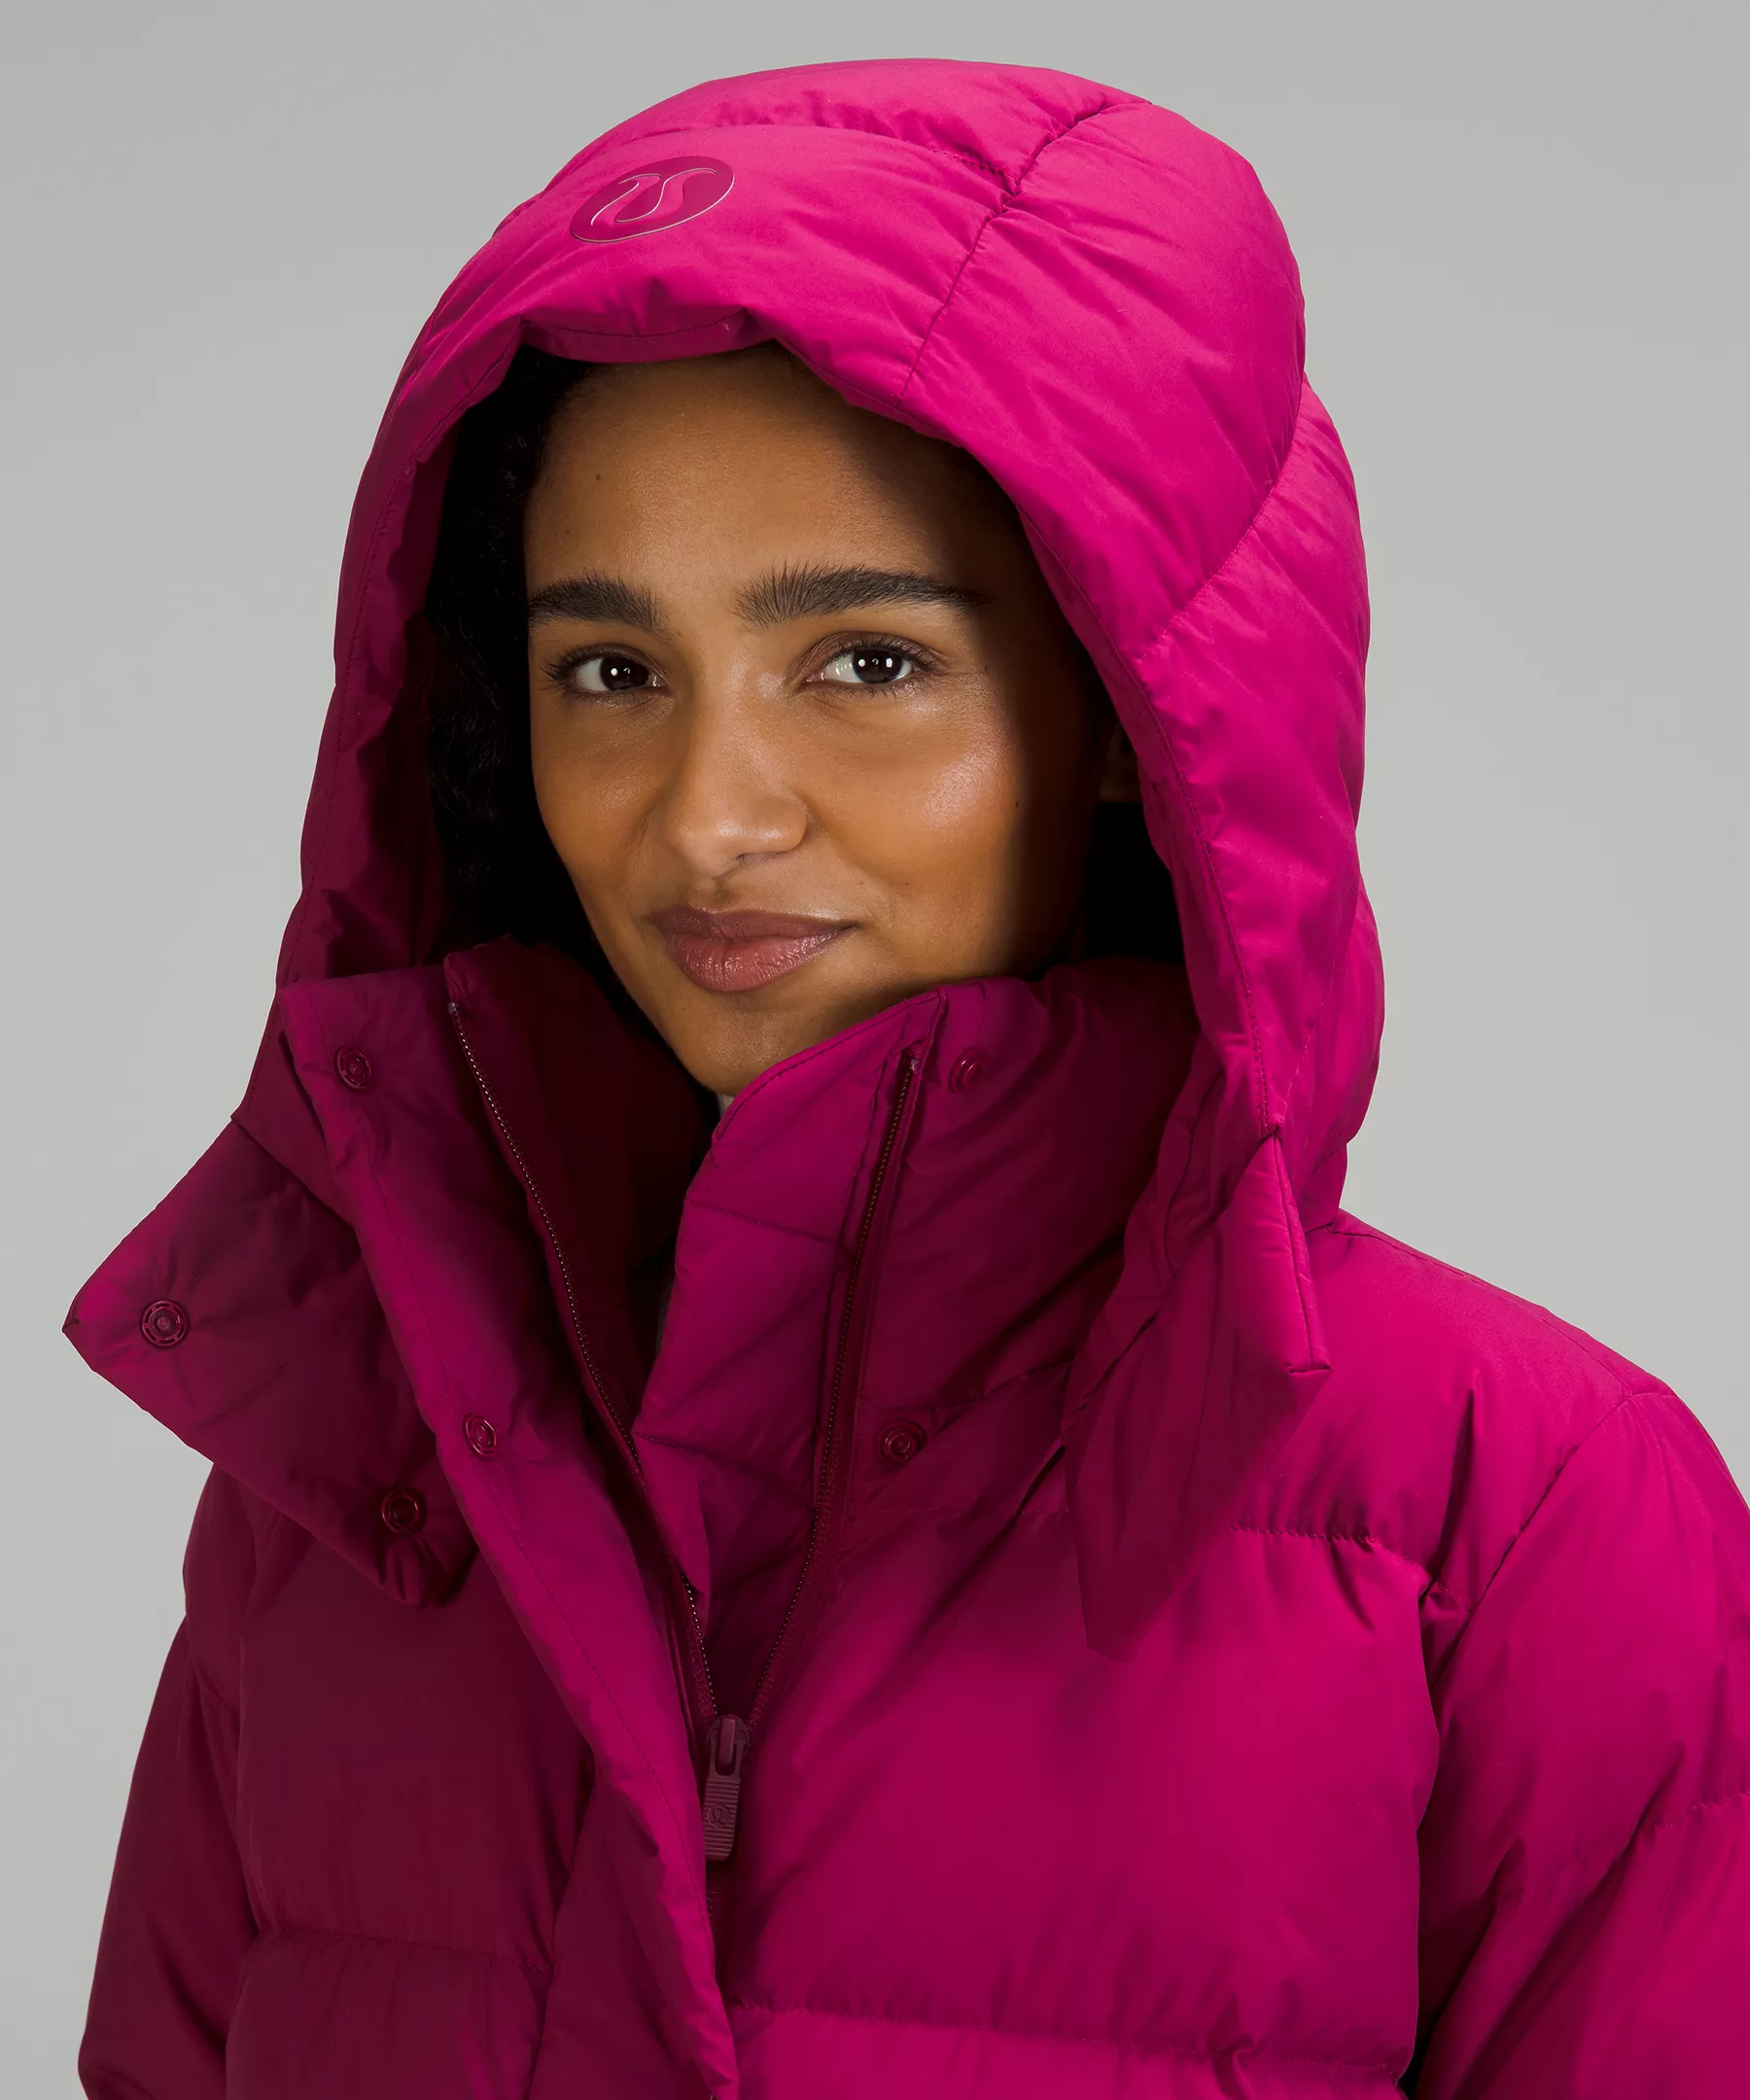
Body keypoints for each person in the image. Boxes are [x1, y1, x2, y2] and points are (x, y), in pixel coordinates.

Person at [67, 57, 1749, 2100]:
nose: (710, 816)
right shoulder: (360, 1483)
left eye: (866, 663)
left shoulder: (1522, 1511)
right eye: (612, 671)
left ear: (1129, 711)